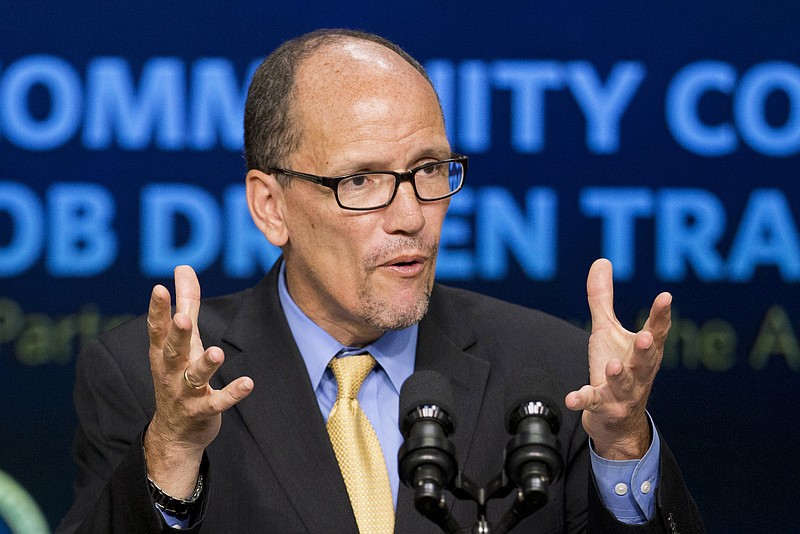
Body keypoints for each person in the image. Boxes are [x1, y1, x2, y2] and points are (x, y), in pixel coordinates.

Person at [57, 29, 704, 533]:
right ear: (270, 207)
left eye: (429, 169)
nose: (411, 216)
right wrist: (171, 455)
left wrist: (621, 446)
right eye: (360, 181)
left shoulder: (554, 373)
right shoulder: (148, 386)